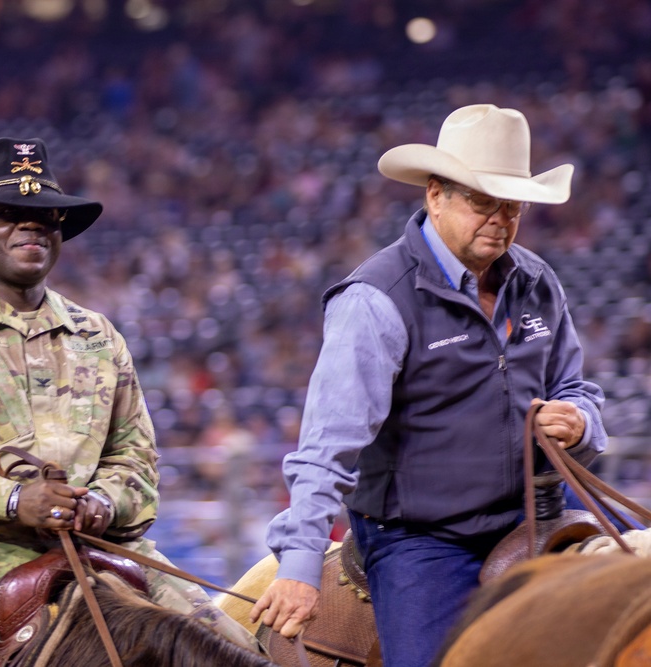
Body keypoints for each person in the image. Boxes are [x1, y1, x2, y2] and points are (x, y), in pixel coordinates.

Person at [0, 137, 260, 665]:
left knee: (238, 652)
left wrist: (104, 502)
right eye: (8, 214)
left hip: (102, 554)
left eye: (45, 215)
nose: (32, 226)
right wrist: (10, 499)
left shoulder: (97, 335)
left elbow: (136, 459)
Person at [250, 105, 609, 667]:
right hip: (424, 538)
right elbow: (327, 447)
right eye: (482, 201)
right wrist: (298, 565)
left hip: (537, 513)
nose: (500, 219)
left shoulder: (537, 281)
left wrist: (580, 420)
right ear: (435, 195)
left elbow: (575, 385)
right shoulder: (376, 299)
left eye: (511, 205)